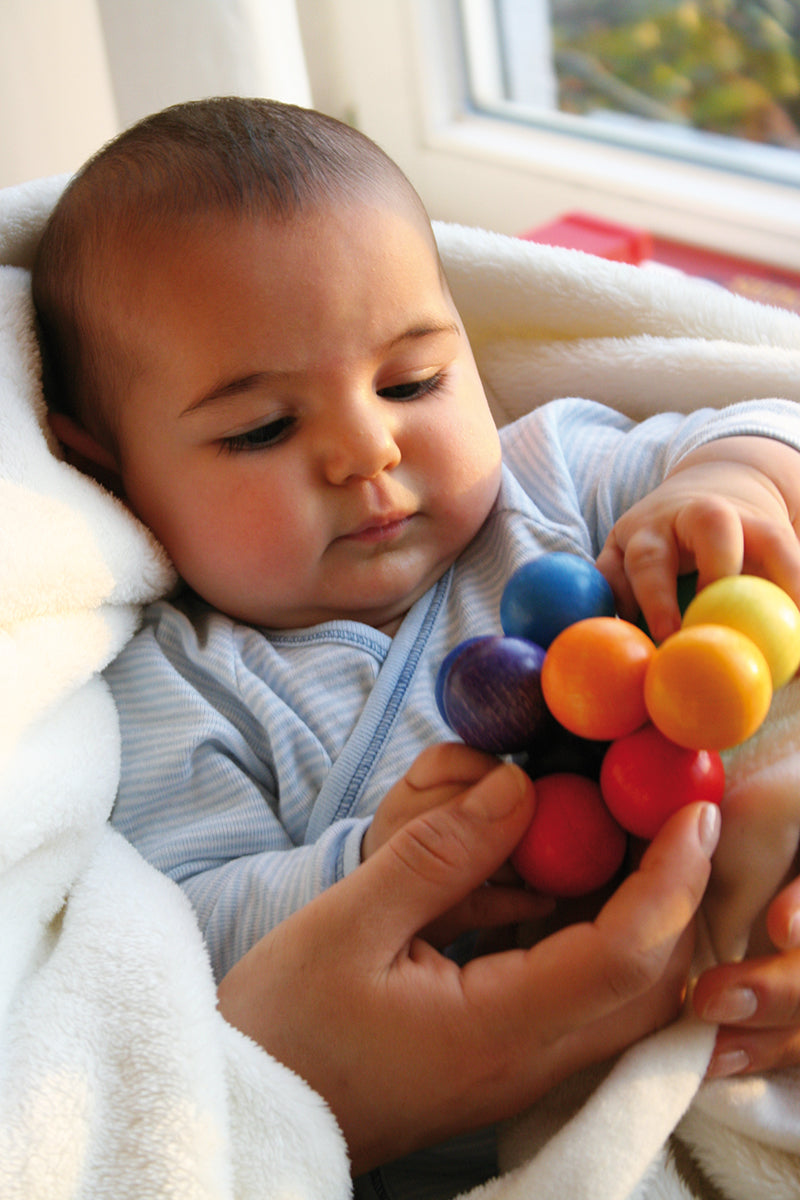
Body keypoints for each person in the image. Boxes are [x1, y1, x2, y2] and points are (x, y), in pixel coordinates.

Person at [32, 96, 800, 1193]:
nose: (366, 444)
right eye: (261, 428)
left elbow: (765, 416)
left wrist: (733, 481)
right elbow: (179, 935)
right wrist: (362, 869)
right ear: (105, 470)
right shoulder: (187, 687)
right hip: (480, 1118)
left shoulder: (557, 477)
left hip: (725, 964)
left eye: (412, 381)